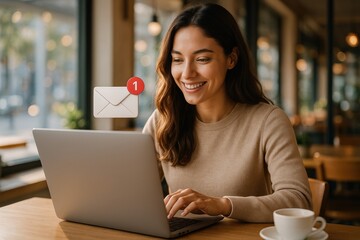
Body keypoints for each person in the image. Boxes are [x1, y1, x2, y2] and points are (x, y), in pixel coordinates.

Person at [142, 3, 311, 222]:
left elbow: (299, 201)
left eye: (202, 59)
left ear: (231, 58)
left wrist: (223, 205)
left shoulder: (268, 121)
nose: (187, 73)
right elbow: (130, 190)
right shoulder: (163, 119)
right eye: (177, 59)